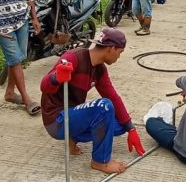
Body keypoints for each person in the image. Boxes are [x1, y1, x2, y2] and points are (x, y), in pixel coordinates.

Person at [40, 28, 146, 174]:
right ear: (111, 49)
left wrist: (131, 129)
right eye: (120, 52)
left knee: (120, 124)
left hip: (72, 117)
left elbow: (113, 96)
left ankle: (73, 137)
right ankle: (100, 162)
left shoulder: (99, 70)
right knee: (104, 107)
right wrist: (56, 77)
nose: (119, 57)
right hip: (56, 120)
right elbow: (44, 86)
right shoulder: (73, 57)